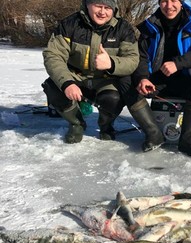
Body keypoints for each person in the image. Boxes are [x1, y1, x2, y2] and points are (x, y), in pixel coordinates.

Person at [42, 0, 139, 143]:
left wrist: (111, 64)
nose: (102, 12)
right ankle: (77, 123)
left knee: (113, 98)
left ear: (114, 9)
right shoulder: (69, 24)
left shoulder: (123, 28)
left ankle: (106, 126)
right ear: (87, 5)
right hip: (75, 76)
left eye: (107, 8)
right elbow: (53, 55)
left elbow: (132, 60)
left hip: (106, 80)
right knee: (53, 87)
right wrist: (67, 82)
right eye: (98, 6)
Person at [129, 0, 191, 158]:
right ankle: (153, 134)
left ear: (181, 2)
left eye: (174, 0)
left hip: (185, 80)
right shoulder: (149, 25)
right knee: (126, 81)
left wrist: (178, 63)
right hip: (156, 82)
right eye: (164, 1)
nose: (169, 6)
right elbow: (140, 57)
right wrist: (142, 78)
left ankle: (187, 140)